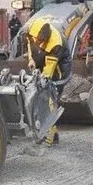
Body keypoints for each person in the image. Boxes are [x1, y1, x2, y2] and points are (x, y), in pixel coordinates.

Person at [25, 16, 71, 145]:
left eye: (41, 41)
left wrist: (41, 80)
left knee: (49, 102)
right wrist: (31, 60)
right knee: (43, 101)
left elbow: (49, 71)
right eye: (37, 40)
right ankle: (52, 133)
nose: (38, 43)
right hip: (43, 67)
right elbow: (30, 46)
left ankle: (50, 136)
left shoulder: (56, 43)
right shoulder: (31, 32)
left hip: (58, 75)